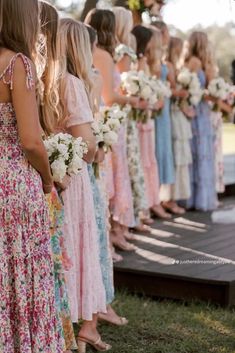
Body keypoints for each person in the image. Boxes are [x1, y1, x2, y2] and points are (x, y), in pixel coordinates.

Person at [0, 0, 63, 352]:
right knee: (21, 268)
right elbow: (30, 140)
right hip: (13, 185)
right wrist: (47, 177)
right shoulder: (17, 64)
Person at [58, 18, 110, 352]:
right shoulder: (73, 84)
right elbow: (87, 145)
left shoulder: (44, 79)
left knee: (60, 248)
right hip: (74, 178)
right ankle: (81, 329)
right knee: (77, 247)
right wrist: (98, 149)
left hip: (52, 176)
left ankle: (65, 327)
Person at [39, 2, 78, 352]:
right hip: (38, 181)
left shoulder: (43, 75)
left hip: (40, 177)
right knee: (48, 263)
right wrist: (53, 174)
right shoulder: (23, 70)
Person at [85, 9, 138, 253]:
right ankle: (113, 233)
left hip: (105, 120)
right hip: (108, 121)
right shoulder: (104, 55)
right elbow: (108, 96)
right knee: (111, 177)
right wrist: (133, 100)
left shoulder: (93, 52)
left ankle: (112, 233)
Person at [185, 31, 217, 211]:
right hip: (198, 113)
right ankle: (198, 198)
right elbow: (191, 89)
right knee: (199, 153)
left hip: (201, 112)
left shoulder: (198, 63)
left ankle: (197, 197)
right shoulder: (196, 63)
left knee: (199, 153)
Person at [166, 36, 193, 202]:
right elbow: (172, 90)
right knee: (177, 154)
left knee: (181, 155)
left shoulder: (176, 67)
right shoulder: (169, 66)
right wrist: (182, 93)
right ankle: (170, 198)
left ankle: (176, 197)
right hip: (174, 114)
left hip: (179, 112)